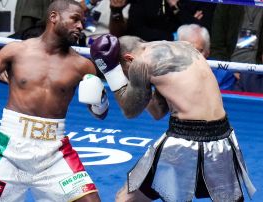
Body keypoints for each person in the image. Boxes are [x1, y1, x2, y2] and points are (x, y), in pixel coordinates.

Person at [0, 0, 107, 201]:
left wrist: (100, 101)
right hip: (10, 150)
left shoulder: (84, 66)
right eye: (75, 19)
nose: (81, 26)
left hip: (54, 153)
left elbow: (100, 113)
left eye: (82, 21)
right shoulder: (16, 51)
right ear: (53, 17)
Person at [90, 34, 256, 201]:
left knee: (126, 198)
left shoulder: (141, 63)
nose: (129, 76)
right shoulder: (184, 46)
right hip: (223, 136)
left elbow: (130, 111)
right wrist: (141, 87)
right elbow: (158, 112)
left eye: (125, 70)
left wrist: (112, 73)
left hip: (185, 139)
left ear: (129, 58)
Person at [177, 23, 236, 90]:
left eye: (198, 51)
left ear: (207, 52)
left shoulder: (223, 75)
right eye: (186, 50)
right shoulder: (167, 71)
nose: (192, 56)